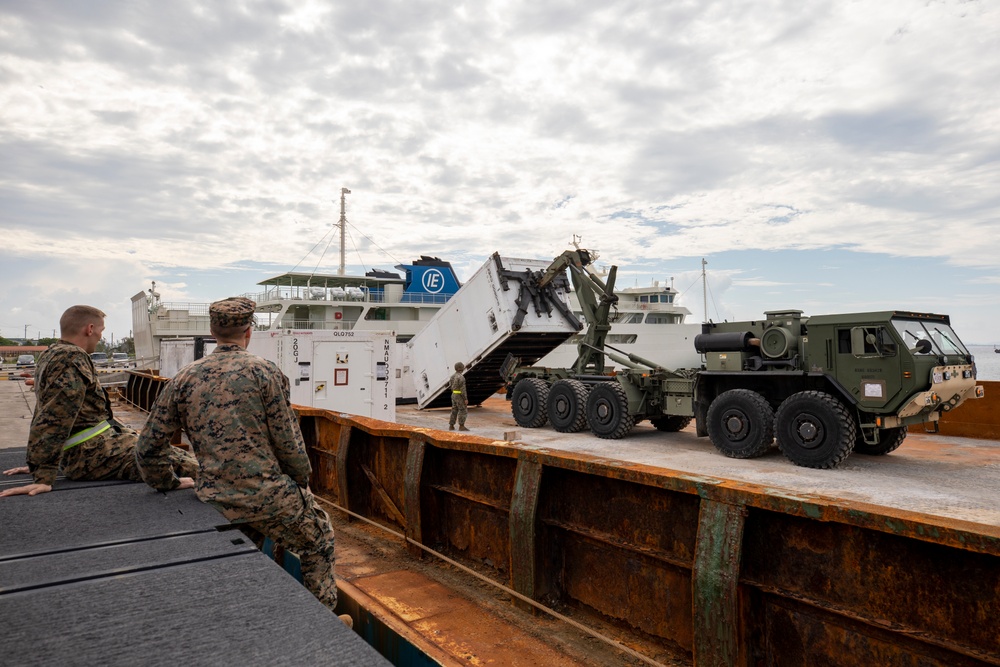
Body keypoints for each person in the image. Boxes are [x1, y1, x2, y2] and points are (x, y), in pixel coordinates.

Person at [135, 297, 346, 622]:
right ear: (249, 331)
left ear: (211, 331)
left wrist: (167, 482)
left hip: (215, 499)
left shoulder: (183, 379)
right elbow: (290, 446)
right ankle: (323, 622)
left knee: (239, 549)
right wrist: (300, 485)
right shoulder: (265, 373)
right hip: (269, 497)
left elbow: (147, 447)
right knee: (318, 539)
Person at [1, 305, 197, 498]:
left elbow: (46, 408)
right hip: (90, 453)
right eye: (102, 330)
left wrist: (39, 461)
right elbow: (54, 417)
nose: (101, 336)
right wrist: (43, 474)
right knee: (189, 466)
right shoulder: (71, 358)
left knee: (170, 454)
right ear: (90, 329)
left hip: (91, 447)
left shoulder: (51, 353)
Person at [448, 361, 469, 431]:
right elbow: (463, 389)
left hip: (453, 394)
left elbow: (450, 386)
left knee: (454, 410)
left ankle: (451, 426)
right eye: (462, 366)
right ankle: (461, 426)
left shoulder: (452, 376)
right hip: (459, 395)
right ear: (460, 368)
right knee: (463, 410)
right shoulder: (461, 377)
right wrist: (465, 399)